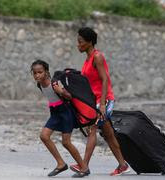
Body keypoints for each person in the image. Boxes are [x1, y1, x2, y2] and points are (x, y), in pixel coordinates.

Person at [70, 27, 130, 176]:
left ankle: (83, 166)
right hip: (94, 100)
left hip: (104, 99)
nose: (78, 45)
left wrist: (102, 104)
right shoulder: (87, 59)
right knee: (109, 134)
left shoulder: (98, 57)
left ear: (89, 42)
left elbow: (105, 80)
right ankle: (123, 165)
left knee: (92, 129)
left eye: (80, 42)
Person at [30, 59, 90, 178]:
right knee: (44, 136)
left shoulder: (54, 83)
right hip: (55, 112)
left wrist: (60, 91)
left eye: (40, 72)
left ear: (46, 72)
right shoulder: (39, 84)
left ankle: (84, 167)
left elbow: (69, 96)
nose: (37, 75)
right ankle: (61, 164)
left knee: (66, 142)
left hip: (65, 112)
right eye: (35, 73)